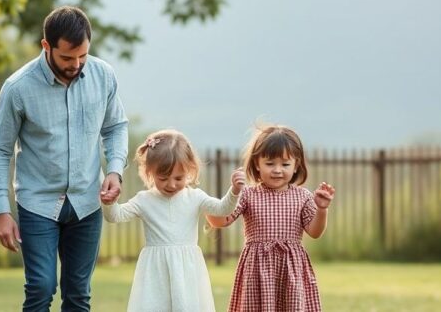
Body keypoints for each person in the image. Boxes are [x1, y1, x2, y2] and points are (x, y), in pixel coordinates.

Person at [0, 5, 128, 311]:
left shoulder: (104, 76)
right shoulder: (17, 88)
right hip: (37, 203)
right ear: (46, 46)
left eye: (83, 56)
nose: (76, 64)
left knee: (78, 294)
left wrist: (114, 170)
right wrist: (1, 211)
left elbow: (115, 127)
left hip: (87, 202)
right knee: (41, 287)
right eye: (66, 57)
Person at [100, 129, 245, 312]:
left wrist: (234, 191)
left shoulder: (195, 197)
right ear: (150, 172)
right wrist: (109, 202)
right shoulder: (144, 200)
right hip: (155, 271)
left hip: (187, 270)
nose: (171, 184)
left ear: (190, 170)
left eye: (179, 178)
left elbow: (222, 209)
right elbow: (115, 216)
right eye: (163, 178)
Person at [206, 124, 336, 312]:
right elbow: (220, 221)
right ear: (257, 164)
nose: (277, 170)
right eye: (270, 163)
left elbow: (314, 232)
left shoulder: (303, 196)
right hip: (257, 270)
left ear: (296, 165)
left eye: (285, 164)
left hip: (291, 269)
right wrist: (224, 197)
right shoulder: (247, 195)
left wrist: (322, 209)